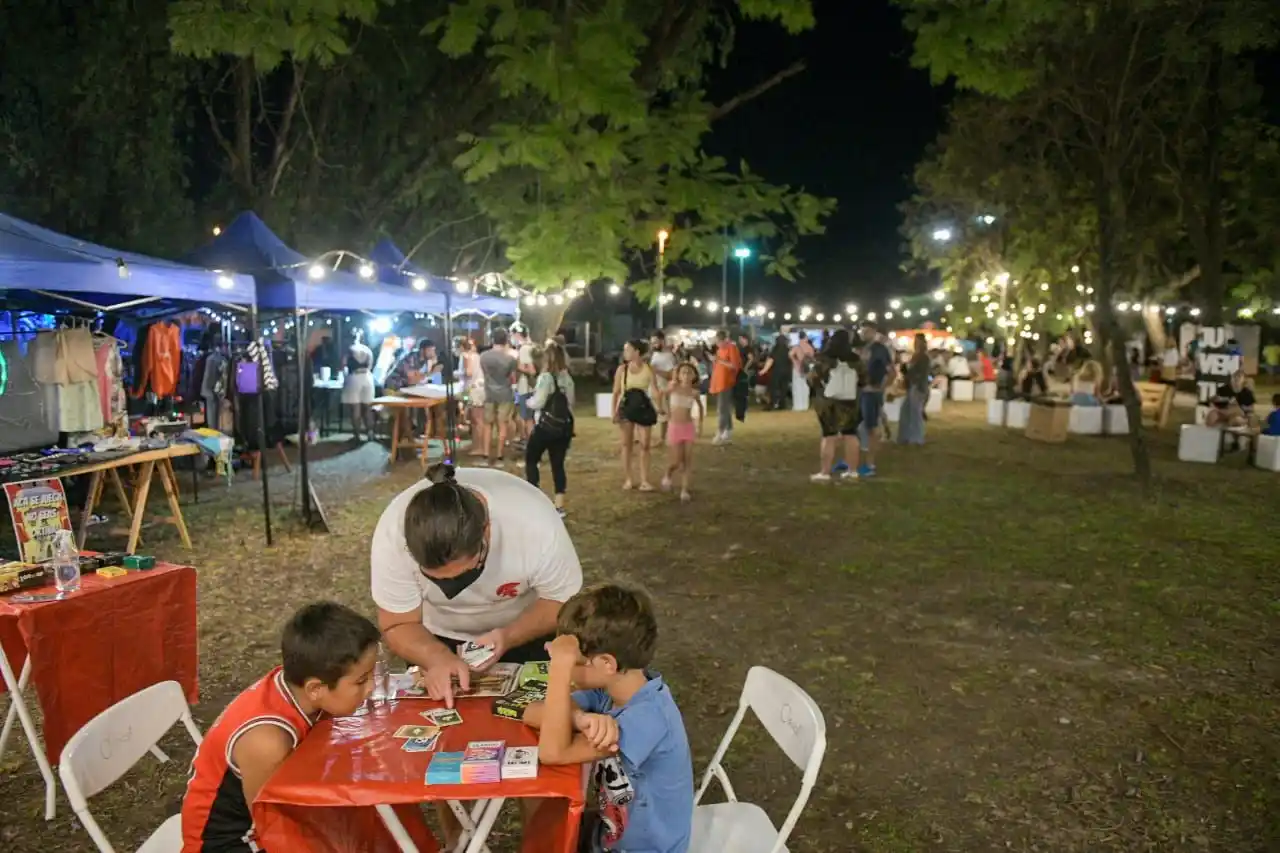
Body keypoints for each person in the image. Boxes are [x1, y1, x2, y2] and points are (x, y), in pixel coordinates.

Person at [181, 602, 379, 852]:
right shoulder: (268, 742)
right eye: (361, 681)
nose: (371, 688)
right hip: (233, 843)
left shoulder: (299, 687)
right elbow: (273, 826)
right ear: (316, 689)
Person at [524, 583, 694, 853]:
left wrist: (558, 669)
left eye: (573, 662)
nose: (567, 670)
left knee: (547, 836)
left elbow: (552, 752)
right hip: (612, 833)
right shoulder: (610, 690)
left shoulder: (648, 718)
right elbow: (532, 711)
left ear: (606, 664)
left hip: (644, 849)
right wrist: (580, 718)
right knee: (544, 833)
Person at [525, 341, 576, 517]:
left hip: (545, 426)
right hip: (563, 427)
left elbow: (538, 402)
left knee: (531, 459)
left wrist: (527, 401)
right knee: (558, 464)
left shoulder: (546, 378)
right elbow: (570, 403)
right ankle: (559, 505)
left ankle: (534, 498)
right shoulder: (567, 378)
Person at [809, 328, 862, 482]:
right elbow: (865, 378)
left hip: (828, 401)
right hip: (850, 400)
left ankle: (825, 472)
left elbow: (813, 378)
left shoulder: (824, 359)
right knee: (850, 435)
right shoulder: (855, 360)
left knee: (829, 436)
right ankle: (852, 470)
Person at [612, 340, 659, 490]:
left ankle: (645, 480)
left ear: (637, 352)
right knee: (627, 444)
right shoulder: (622, 369)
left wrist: (661, 406)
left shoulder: (648, 369)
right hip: (626, 408)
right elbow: (616, 392)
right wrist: (614, 411)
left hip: (643, 407)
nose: (625, 353)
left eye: (628, 350)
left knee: (645, 445)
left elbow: (655, 390)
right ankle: (629, 479)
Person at [661, 362, 704, 501]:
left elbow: (700, 407)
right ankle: (668, 473)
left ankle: (684, 490)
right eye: (683, 372)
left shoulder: (694, 392)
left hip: (688, 427)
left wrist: (699, 424)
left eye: (689, 373)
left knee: (687, 460)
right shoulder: (673, 388)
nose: (686, 375)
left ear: (694, 376)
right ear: (678, 375)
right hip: (674, 427)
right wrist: (665, 411)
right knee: (677, 460)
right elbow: (660, 396)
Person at [858, 320, 893, 478]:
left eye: (866, 331)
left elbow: (891, 372)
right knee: (864, 427)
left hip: (872, 393)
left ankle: (870, 464)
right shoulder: (867, 348)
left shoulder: (879, 349)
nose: (863, 334)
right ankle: (862, 461)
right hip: (863, 392)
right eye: (862, 331)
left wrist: (881, 388)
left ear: (873, 331)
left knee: (872, 428)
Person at [478, 328, 518, 467]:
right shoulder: (511, 359)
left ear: (492, 339)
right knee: (502, 425)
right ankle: (499, 456)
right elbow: (513, 378)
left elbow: (484, 374)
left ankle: (485, 455)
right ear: (506, 340)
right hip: (505, 393)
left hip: (489, 393)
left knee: (487, 425)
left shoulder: (483, 356)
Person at [708, 329, 741, 446]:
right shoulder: (719, 350)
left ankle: (721, 431)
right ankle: (727, 431)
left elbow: (734, 366)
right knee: (724, 408)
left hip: (726, 382)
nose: (716, 344)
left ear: (723, 340)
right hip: (719, 382)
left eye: (718, 341)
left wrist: (719, 360)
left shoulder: (731, 348)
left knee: (722, 409)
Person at [342, 328, 375, 441]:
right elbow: (370, 366)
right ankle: (370, 432)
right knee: (367, 407)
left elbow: (343, 365)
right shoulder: (368, 350)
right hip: (367, 377)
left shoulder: (349, 350)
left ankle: (357, 435)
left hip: (354, 378)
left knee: (355, 408)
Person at [898, 333, 930, 446]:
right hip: (912, 386)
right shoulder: (915, 356)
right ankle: (906, 436)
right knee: (906, 411)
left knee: (915, 413)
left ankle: (916, 438)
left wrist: (907, 373)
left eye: (918, 341)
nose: (916, 343)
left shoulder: (923, 357)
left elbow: (920, 374)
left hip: (917, 387)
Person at [648, 330, 676, 444]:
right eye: (652, 342)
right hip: (652, 387)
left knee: (663, 414)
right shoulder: (654, 354)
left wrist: (656, 371)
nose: (653, 345)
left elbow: (671, 375)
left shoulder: (669, 356)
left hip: (662, 388)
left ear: (662, 341)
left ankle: (662, 438)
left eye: (655, 342)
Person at [512, 325, 537, 447]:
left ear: (517, 334)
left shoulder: (524, 349)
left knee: (527, 418)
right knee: (529, 417)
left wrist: (517, 366)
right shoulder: (533, 346)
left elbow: (530, 370)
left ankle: (531, 444)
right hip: (531, 387)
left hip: (526, 387)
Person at [789, 330, 815, 411]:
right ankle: (805, 405)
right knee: (805, 387)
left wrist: (795, 362)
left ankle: (798, 406)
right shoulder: (810, 347)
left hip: (797, 369)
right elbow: (812, 359)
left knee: (797, 388)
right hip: (807, 369)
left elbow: (790, 355)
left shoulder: (796, 347)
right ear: (806, 337)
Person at [763, 336, 790, 409]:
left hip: (776, 371)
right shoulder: (787, 350)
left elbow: (770, 360)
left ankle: (772, 403)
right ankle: (782, 404)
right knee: (784, 388)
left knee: (774, 388)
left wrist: (764, 370)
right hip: (786, 372)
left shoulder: (774, 350)